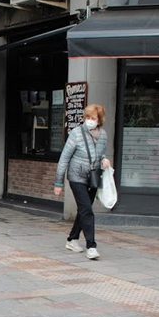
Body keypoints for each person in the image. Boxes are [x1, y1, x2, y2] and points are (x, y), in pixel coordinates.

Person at [54, 104, 112, 260]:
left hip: (93, 176)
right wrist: (58, 183)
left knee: (83, 210)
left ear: (99, 120)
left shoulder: (103, 135)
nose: (89, 121)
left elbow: (99, 154)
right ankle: (91, 247)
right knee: (87, 209)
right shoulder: (76, 133)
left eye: (93, 118)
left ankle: (72, 239)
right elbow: (64, 157)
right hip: (76, 176)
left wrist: (104, 159)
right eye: (87, 117)